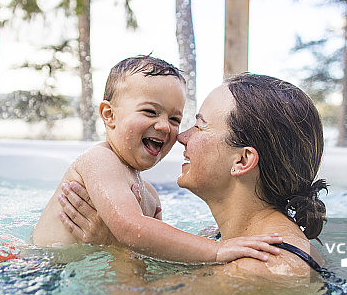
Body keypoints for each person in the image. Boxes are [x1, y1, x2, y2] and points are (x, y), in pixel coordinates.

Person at [57, 73, 347, 295]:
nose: (181, 136)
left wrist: (115, 245)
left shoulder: (265, 267)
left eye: (199, 125)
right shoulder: (219, 239)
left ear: (241, 160)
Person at [32, 56, 283, 265]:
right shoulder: (100, 160)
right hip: (36, 270)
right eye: (150, 112)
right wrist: (216, 250)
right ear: (109, 115)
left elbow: (151, 255)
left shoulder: (149, 195)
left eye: (175, 119)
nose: (165, 126)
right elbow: (131, 229)